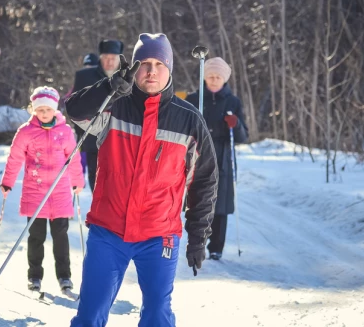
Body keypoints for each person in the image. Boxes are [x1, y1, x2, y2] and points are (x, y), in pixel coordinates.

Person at [65, 33, 218, 326]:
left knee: (157, 315)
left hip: (159, 234)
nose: (150, 71)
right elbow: (74, 110)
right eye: (143, 63)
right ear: (133, 68)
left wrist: (198, 237)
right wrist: (109, 86)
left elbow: (205, 181)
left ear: (169, 69)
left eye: (158, 63)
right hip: (108, 231)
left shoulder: (189, 120)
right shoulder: (113, 105)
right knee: (90, 314)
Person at [0, 86, 84, 293]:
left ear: (55, 109)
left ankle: (64, 276)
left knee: (60, 237)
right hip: (35, 192)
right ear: (33, 110)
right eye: (40, 110)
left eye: (47, 110)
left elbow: (73, 158)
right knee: (36, 237)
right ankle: (34, 275)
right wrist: (7, 181)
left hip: (60, 192)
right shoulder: (26, 132)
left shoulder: (65, 132)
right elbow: (15, 158)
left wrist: (77, 181)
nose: (44, 114)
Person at [185, 57, 249, 260]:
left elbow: (242, 137)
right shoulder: (194, 99)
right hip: (199, 153)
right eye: (210, 76)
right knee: (197, 199)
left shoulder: (233, 102)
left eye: (218, 77)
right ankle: (196, 241)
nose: (213, 80)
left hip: (222, 157)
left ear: (224, 79)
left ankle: (216, 247)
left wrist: (235, 124)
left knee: (219, 204)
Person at [69, 40, 124, 192]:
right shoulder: (84, 76)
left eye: (113, 58)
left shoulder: (128, 78)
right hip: (92, 139)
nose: (110, 62)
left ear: (120, 59)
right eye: (106, 57)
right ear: (100, 57)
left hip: (120, 140)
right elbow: (76, 106)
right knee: (97, 182)